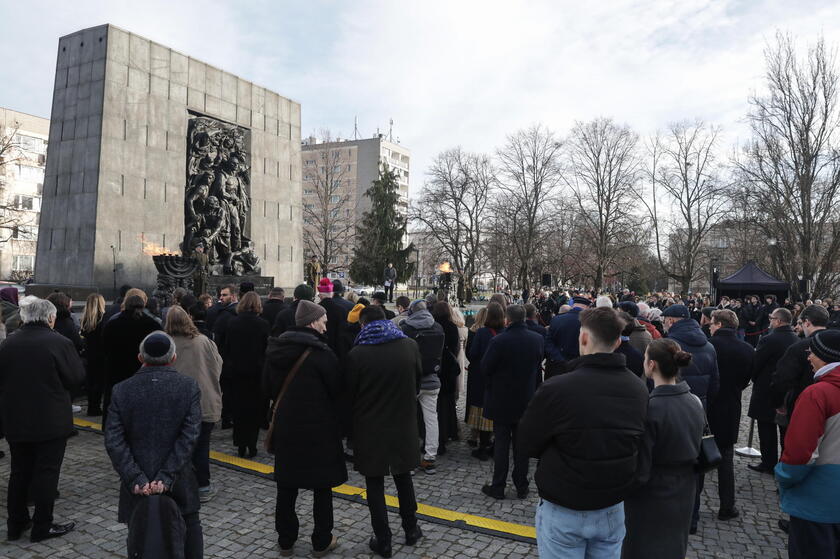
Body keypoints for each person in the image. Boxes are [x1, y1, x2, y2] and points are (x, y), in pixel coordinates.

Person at [519, 306, 649, 557]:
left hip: (565, 507)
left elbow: (527, 443)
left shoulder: (557, 388)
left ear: (584, 337)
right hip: (612, 505)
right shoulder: (638, 389)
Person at [104, 332, 203, 559]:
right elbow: (190, 435)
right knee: (189, 525)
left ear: (140, 357)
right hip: (179, 477)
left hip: (138, 481)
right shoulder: (188, 387)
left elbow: (114, 439)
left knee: (141, 533)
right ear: (174, 357)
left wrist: (134, 476)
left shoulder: (122, 390)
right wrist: (166, 476)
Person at [263, 300, 347, 557]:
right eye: (323, 320)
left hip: (287, 427)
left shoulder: (276, 350)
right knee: (322, 488)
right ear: (312, 322)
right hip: (319, 430)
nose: (326, 324)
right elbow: (338, 392)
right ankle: (322, 540)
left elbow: (266, 388)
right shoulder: (322, 354)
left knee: (286, 487)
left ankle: (286, 540)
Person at [0, 296, 84, 542]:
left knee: (19, 471)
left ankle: (16, 524)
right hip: (50, 420)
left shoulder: (8, 344)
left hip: (16, 418)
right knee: (47, 473)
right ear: (50, 318)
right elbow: (77, 377)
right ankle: (42, 525)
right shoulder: (59, 343)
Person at [347, 306, 424, 557]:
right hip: (403, 424)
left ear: (363, 325)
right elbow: (417, 382)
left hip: (370, 428)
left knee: (375, 485)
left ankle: (384, 539)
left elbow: (350, 394)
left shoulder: (357, 353)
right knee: (404, 477)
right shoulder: (409, 346)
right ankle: (411, 528)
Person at [622, 339, 706, 559]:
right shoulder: (694, 401)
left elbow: (641, 468)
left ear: (652, 365)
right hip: (685, 488)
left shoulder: (651, 408)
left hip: (653, 492)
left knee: (642, 548)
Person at [776, 328, 840, 558]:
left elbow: (799, 453)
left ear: (825, 356)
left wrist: (783, 477)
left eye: (811, 352)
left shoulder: (818, 393)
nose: (808, 357)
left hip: (818, 501)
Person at [661, 303, 720, 533]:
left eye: (666, 319)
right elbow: (715, 385)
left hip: (671, 410)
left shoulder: (668, 346)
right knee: (695, 466)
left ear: (672, 321)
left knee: (670, 464)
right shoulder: (709, 346)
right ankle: (691, 517)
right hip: (699, 411)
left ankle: (671, 517)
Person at [480, 304, 543, 500]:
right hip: (525, 398)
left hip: (501, 399)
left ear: (508, 319)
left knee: (501, 444)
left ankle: (498, 486)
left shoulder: (499, 341)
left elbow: (486, 368)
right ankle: (521, 485)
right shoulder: (537, 339)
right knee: (521, 446)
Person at [166, 306, 223, 503]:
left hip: (175, 403)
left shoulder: (166, 343)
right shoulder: (203, 341)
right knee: (201, 445)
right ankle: (203, 486)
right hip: (203, 399)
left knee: (177, 444)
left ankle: (177, 483)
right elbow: (218, 365)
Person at [707, 309, 754, 520]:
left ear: (718, 324)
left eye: (711, 323)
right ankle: (727, 506)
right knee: (726, 459)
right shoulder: (747, 349)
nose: (709, 325)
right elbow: (746, 380)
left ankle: (691, 515)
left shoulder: (709, 346)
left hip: (709, 406)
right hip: (731, 406)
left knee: (699, 456)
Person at [748, 307, 799, 474]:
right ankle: (782, 462)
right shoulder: (796, 339)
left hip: (766, 389)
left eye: (771, 318)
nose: (769, 321)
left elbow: (757, 363)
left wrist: (754, 378)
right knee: (785, 430)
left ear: (778, 321)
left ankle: (768, 462)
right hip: (788, 391)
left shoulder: (769, 339)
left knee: (766, 429)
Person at [222, 292, 270, 457]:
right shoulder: (263, 324)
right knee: (254, 410)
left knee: (239, 409)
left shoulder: (232, 323)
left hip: (236, 371)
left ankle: (240, 443)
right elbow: (266, 350)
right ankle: (252, 443)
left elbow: (227, 347)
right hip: (256, 373)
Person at [399, 300, 445, 473]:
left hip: (411, 380)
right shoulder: (438, 327)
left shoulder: (406, 328)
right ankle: (430, 458)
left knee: (408, 420)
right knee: (431, 419)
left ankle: (409, 459)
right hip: (432, 379)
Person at [102, 294, 160, 427]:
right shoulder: (152, 325)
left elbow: (105, 348)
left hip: (116, 372)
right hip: (143, 373)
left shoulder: (112, 325)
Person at [466, 303, 504, 460]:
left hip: (481, 375)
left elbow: (473, 353)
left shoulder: (481, 332)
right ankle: (493, 442)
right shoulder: (505, 332)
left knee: (481, 407)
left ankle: (482, 445)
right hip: (498, 376)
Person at [432, 301, 461, 454]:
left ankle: (434, 437)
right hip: (448, 369)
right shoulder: (451, 326)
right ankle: (448, 432)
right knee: (446, 403)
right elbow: (456, 348)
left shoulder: (432, 325)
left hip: (435, 368)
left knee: (434, 406)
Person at [544, 295, 592, 378]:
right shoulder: (590, 322)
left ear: (573, 305)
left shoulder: (557, 319)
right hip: (579, 368)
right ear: (587, 307)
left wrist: (559, 358)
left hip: (557, 367)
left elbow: (548, 342)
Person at [80, 293, 107, 416]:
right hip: (101, 355)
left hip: (89, 355)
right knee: (99, 382)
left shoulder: (86, 319)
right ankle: (95, 407)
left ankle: (92, 406)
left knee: (91, 381)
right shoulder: (103, 319)